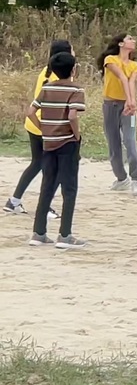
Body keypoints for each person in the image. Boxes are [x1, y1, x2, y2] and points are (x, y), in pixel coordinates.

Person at [4, 39, 73, 218]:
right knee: (51, 168)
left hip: (35, 124)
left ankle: (14, 200)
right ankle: (45, 206)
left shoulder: (47, 70)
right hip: (47, 125)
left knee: (37, 164)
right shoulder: (60, 76)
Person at [27, 51, 87, 249]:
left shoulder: (46, 88)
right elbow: (72, 116)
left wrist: (44, 128)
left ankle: (39, 232)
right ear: (73, 69)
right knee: (69, 189)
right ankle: (65, 235)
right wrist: (76, 135)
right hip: (67, 142)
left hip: (49, 141)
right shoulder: (76, 89)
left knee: (47, 186)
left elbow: (30, 112)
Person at [97, 34, 137, 195]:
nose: (134, 40)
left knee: (130, 140)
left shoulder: (135, 65)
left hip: (127, 107)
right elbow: (122, 77)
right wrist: (130, 101)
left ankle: (136, 178)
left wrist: (131, 102)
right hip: (110, 105)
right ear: (121, 43)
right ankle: (121, 178)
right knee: (113, 142)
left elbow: (131, 82)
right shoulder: (110, 59)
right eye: (131, 38)